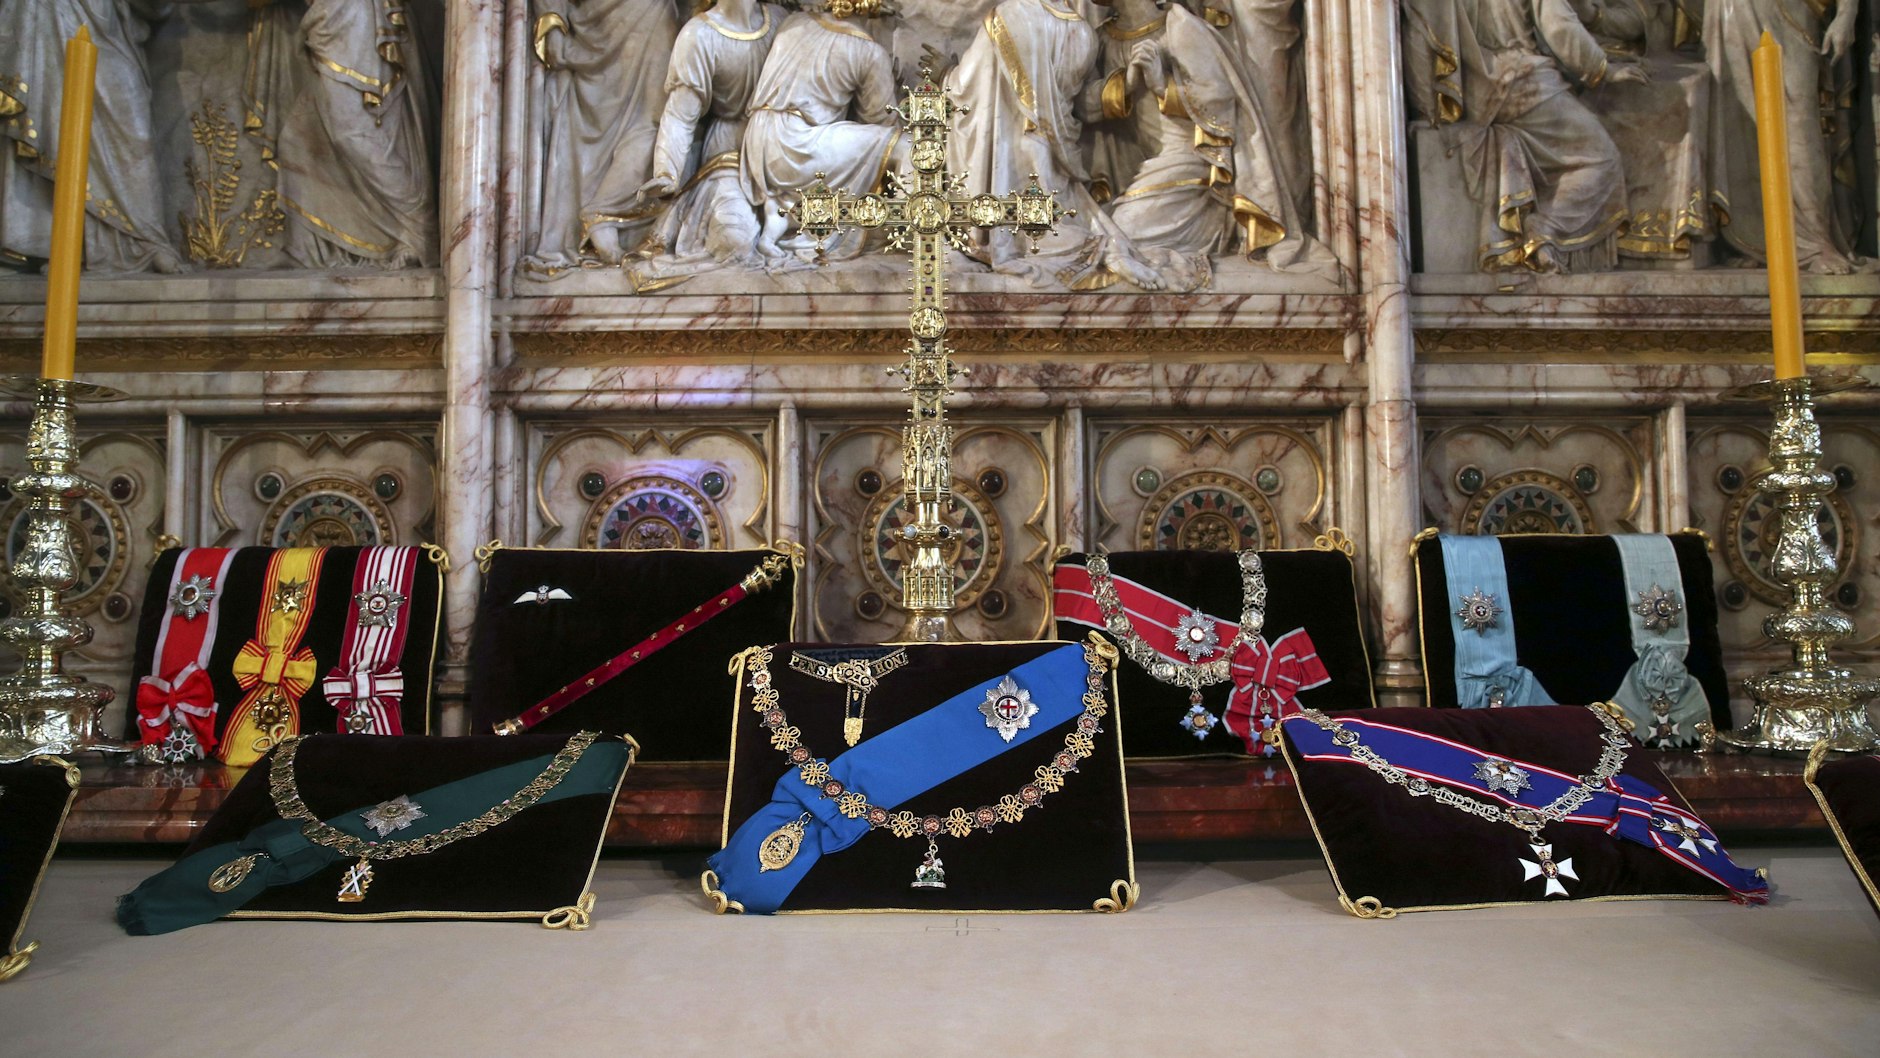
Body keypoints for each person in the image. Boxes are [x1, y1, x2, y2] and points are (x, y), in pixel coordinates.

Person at [1403, 0, 1648, 273]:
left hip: (1467, 90)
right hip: (1520, 80)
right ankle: (1544, 229)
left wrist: (1428, 108)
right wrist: (1602, 69)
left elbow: (1419, 31)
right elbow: (1559, 26)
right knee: (1603, 158)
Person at [246, 0, 439, 268]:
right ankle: (306, 250)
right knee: (297, 138)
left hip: (351, 18)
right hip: (330, 20)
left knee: (354, 134)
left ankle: (422, 230)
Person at [0, 0, 185, 273]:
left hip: (106, 26)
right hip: (42, 18)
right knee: (49, 121)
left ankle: (143, 237)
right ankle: (51, 245)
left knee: (134, 130)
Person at [626, 0, 785, 290]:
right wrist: (667, 171)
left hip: (784, 148)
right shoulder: (699, 35)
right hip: (729, 154)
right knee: (735, 240)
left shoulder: (778, 20)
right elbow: (679, 116)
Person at [739, 0, 900, 264]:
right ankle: (902, 231)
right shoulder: (869, 52)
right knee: (902, 144)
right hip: (796, 146)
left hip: (758, 141)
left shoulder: (795, 22)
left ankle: (775, 226)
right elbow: (881, 122)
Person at [527, 0, 678, 271]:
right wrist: (552, 20)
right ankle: (598, 217)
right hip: (592, 22)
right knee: (650, 121)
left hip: (656, 17)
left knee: (657, 122)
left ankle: (606, 215)